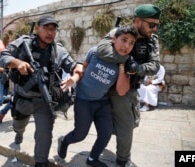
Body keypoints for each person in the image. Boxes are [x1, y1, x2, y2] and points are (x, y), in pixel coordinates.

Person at [0, 15, 83, 167]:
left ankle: (41, 162)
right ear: (37, 28)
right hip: (23, 97)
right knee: (18, 125)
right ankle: (19, 134)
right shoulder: (24, 43)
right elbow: (1, 57)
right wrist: (18, 63)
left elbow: (74, 66)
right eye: (47, 28)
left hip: (44, 101)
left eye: (54, 29)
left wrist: (76, 73)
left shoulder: (59, 50)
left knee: (44, 135)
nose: (51, 33)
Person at [57, 25, 138, 167]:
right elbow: (82, 68)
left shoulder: (124, 63)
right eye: (124, 40)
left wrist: (121, 67)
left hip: (102, 103)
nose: (126, 46)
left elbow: (121, 91)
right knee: (80, 135)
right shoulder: (95, 52)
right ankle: (64, 141)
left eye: (131, 43)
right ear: (114, 39)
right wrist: (74, 80)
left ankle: (92, 159)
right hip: (84, 101)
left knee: (105, 134)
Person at [96, 4, 161, 167]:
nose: (154, 29)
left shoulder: (152, 41)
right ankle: (123, 160)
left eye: (157, 25)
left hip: (130, 88)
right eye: (151, 24)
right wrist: (127, 60)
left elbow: (155, 66)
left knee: (128, 124)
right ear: (138, 21)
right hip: (111, 87)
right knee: (125, 126)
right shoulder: (120, 32)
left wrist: (137, 68)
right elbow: (102, 50)